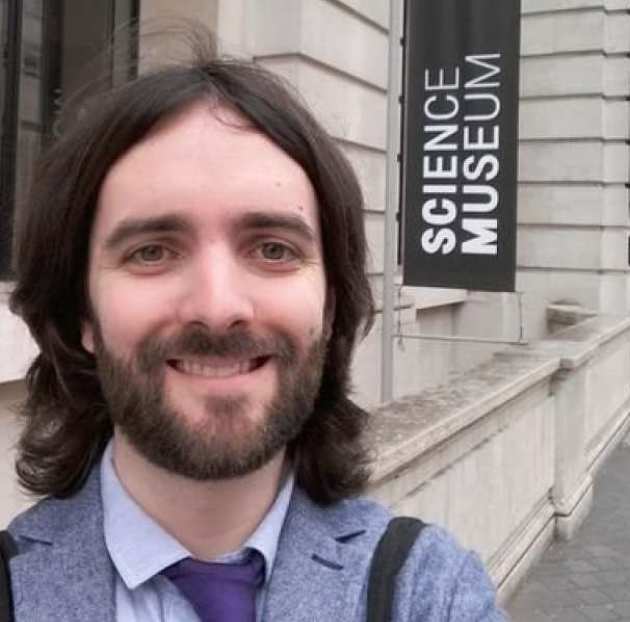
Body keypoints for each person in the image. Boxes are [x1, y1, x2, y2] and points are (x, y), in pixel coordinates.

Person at [4, 40, 506, 621]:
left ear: (330, 306)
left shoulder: (430, 592)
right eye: (152, 252)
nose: (218, 308)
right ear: (82, 315)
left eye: (273, 249)